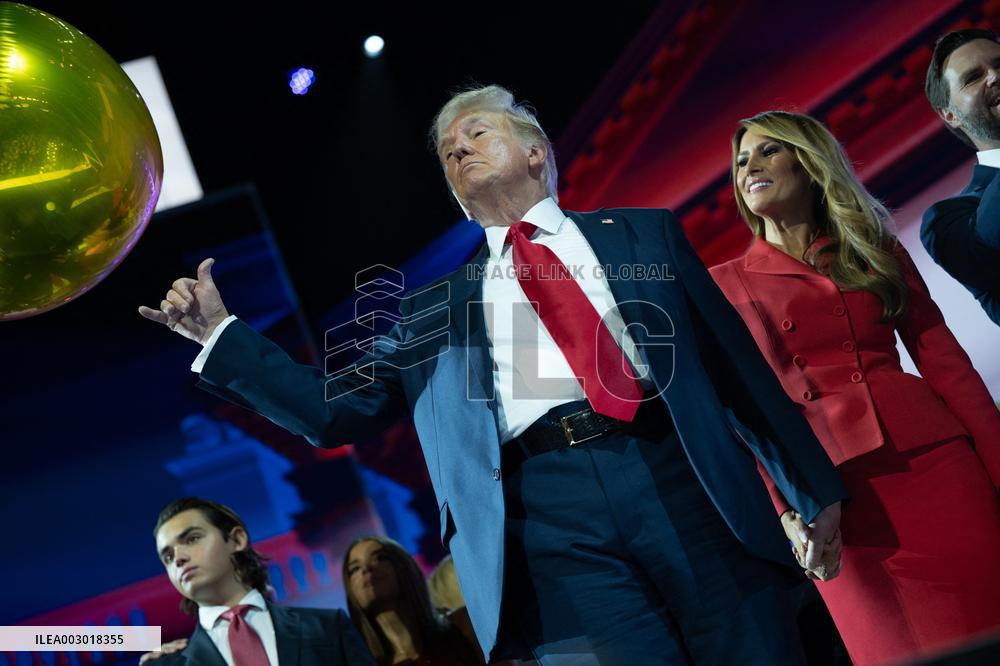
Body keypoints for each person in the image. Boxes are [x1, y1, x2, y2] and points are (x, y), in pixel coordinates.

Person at [139, 84, 847, 664]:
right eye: (450, 151)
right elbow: (332, 409)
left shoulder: (644, 234)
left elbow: (733, 366)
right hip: (545, 518)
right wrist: (220, 335)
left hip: (681, 476)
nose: (458, 147)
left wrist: (809, 488)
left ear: (536, 152)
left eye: (477, 133)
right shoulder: (435, 310)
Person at [710, 110, 1000, 665]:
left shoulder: (874, 250)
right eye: (742, 160)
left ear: (809, 161)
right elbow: (740, 415)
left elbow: (947, 367)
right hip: (832, 501)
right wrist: (787, 508)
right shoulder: (722, 285)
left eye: (769, 151)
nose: (751, 167)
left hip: (936, 465)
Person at [146, 497, 373, 665]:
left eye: (193, 538)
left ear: (237, 539)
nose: (178, 558)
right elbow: (113, 639)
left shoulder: (327, 627)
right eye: (167, 556)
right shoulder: (165, 663)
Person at [922, 28, 1000, 325]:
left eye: (999, 65)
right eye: (973, 77)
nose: (994, 76)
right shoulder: (946, 221)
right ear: (949, 115)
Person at [343, 536, 483, 665]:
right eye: (355, 568)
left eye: (379, 557)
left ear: (404, 566)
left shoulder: (463, 625)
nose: (366, 569)